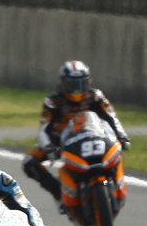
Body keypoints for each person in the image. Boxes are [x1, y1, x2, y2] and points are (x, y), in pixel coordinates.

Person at [22, 61, 130, 200]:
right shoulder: (53, 101)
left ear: (88, 82)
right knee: (29, 162)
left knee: (115, 152)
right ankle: (59, 194)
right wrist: (50, 148)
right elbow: (44, 128)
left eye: (81, 84)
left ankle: (117, 186)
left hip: (95, 136)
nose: (77, 91)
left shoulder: (96, 96)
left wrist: (122, 136)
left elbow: (111, 118)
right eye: (72, 85)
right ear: (63, 84)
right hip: (62, 142)